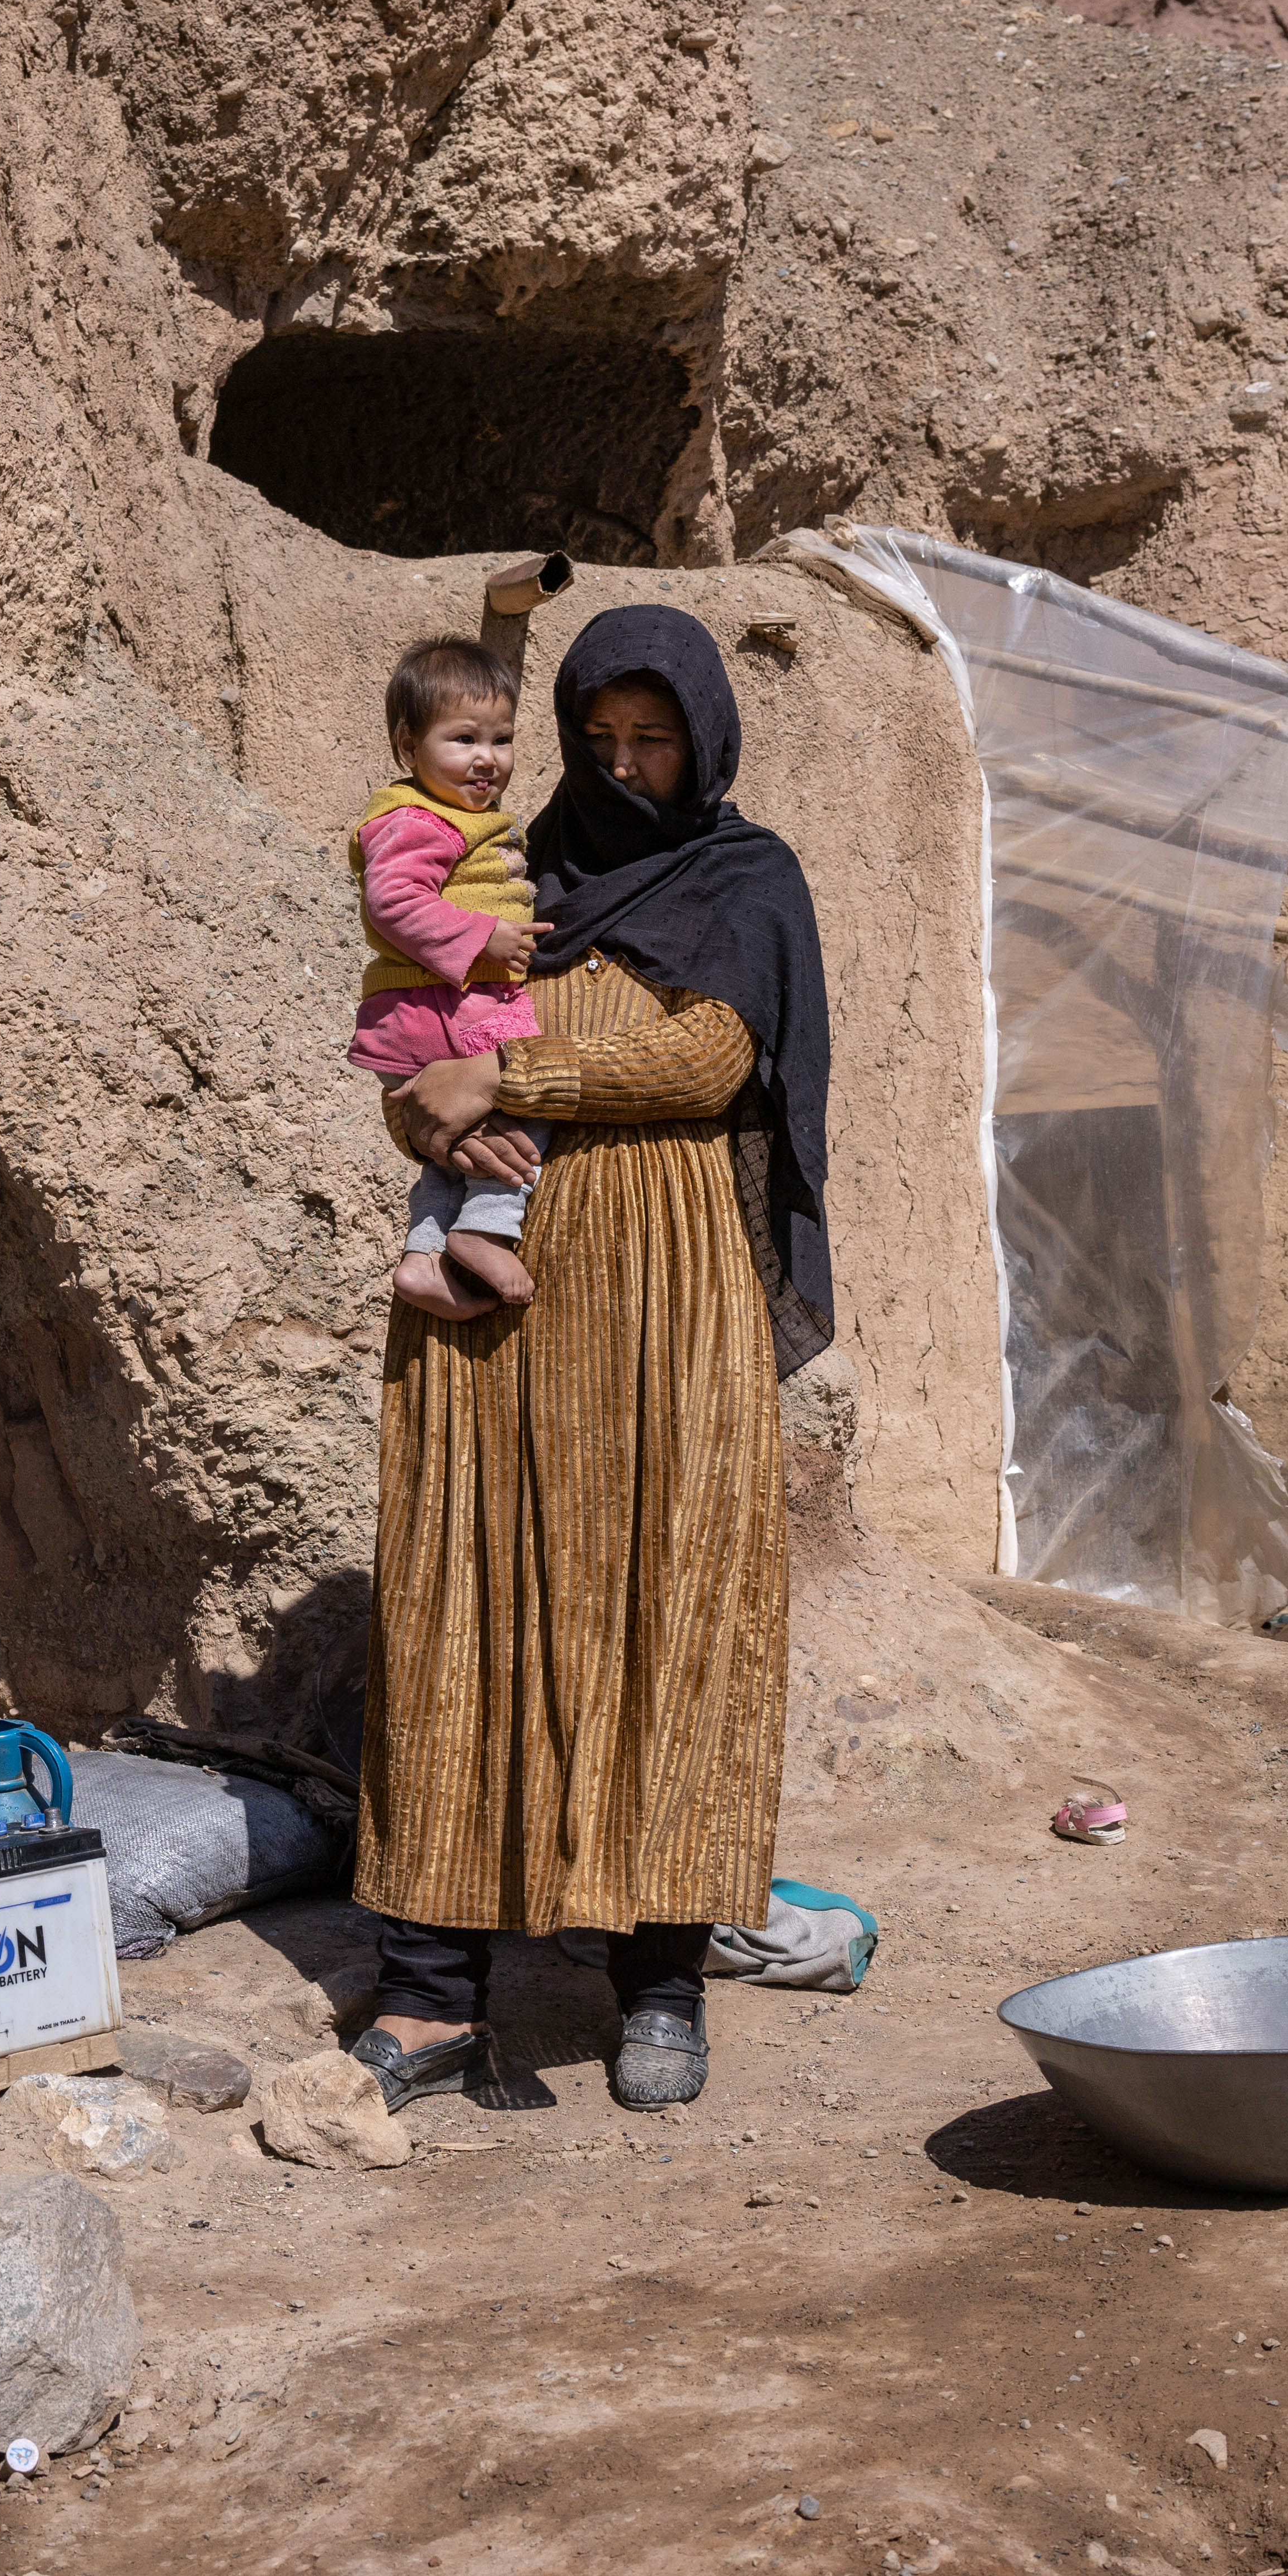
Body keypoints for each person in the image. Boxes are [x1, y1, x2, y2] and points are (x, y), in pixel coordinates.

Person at [349, 602, 835, 2114]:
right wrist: (430, 1104)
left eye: (656, 738)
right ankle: (433, 1994)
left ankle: (664, 1984)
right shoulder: (505, 862)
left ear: (704, 738)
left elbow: (706, 1058)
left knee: (667, 1601)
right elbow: (409, 1036)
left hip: (669, 1291)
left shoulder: (745, 880)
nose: (626, 766)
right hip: (494, 1306)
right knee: (458, 1604)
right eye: (602, 737)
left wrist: (517, 1068)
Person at [347, 636, 550, 1321]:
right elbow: (392, 902)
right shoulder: (417, 819)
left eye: (501, 738)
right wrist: (482, 936)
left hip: (426, 1005)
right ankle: (484, 1229)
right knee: (529, 1093)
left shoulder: (454, 816)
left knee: (451, 1147)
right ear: (409, 747)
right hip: (443, 1005)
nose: (487, 758)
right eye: (462, 738)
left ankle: (423, 1257)